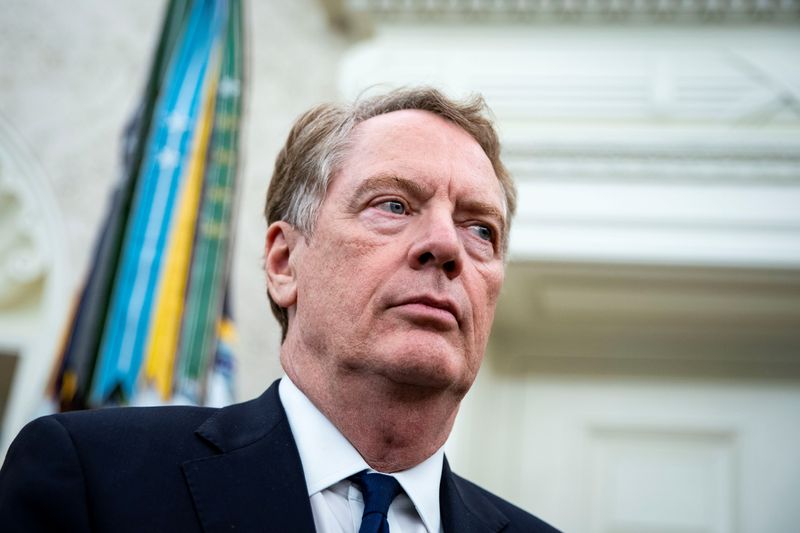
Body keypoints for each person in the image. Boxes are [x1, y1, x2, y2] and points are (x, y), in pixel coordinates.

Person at [0, 87, 559, 532]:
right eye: (393, 204)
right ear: (285, 261)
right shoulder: (95, 479)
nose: (445, 245)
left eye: (480, 229)